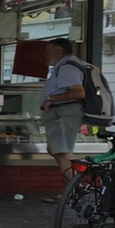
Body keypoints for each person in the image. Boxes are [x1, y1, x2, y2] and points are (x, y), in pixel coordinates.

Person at [39, 37, 87, 203]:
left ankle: (71, 192)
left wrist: (52, 98)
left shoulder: (66, 68)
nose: (44, 55)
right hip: (60, 115)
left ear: (58, 52)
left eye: (47, 52)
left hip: (63, 115)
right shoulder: (65, 66)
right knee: (56, 150)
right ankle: (76, 186)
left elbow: (78, 92)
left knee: (62, 154)